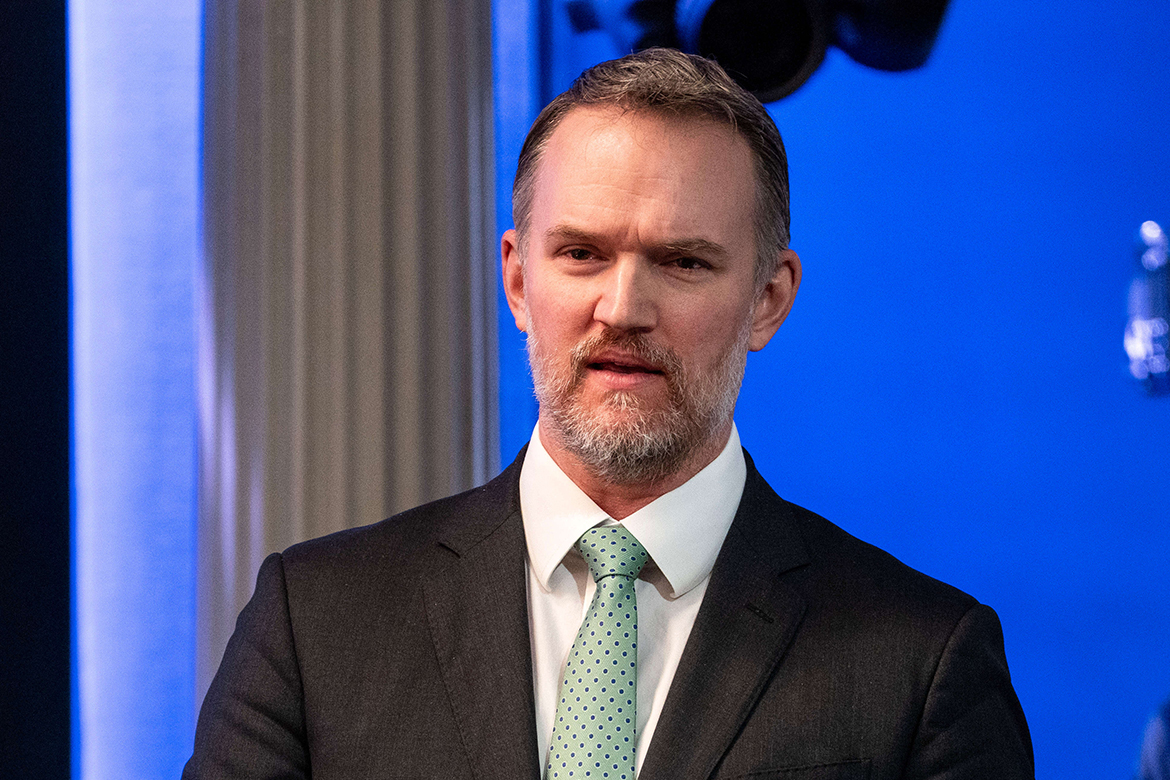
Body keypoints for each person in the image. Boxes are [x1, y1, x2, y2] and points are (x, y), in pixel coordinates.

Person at [184, 48, 1033, 779]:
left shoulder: (921, 659)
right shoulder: (315, 623)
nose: (623, 308)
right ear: (519, 280)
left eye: (684, 262)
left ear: (768, 300)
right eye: (582, 253)